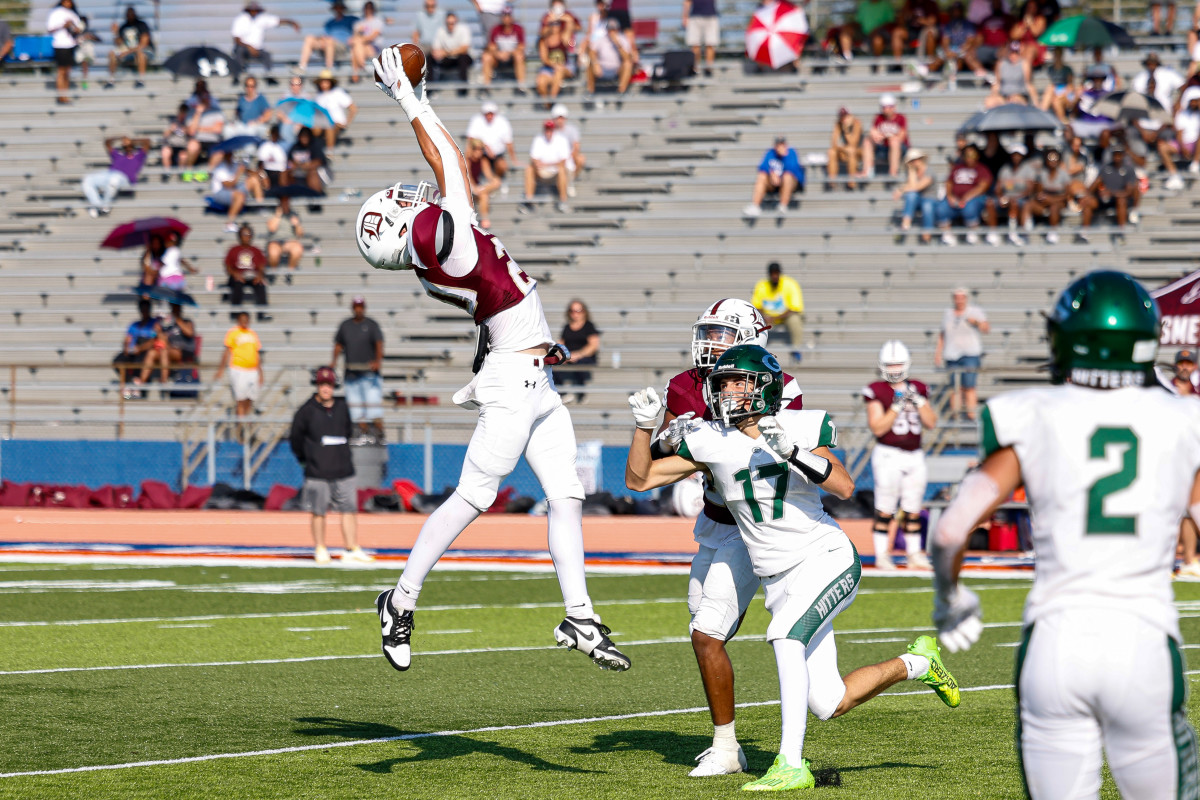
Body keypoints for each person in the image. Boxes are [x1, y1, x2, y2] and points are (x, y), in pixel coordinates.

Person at [358, 48, 629, 673]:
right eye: (402, 206)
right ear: (406, 232)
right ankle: (398, 601)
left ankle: (580, 615)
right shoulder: (442, 243)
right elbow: (451, 162)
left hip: (535, 376)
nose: (411, 198)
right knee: (473, 497)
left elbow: (455, 175)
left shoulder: (439, 245)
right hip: (514, 379)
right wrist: (408, 94)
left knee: (567, 494)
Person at [626, 344, 961, 791]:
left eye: (735, 382)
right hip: (778, 577)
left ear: (764, 386)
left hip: (824, 558)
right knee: (829, 701)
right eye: (721, 382)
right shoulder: (709, 437)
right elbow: (639, 479)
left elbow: (844, 485)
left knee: (785, 635)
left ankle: (790, 764)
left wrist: (796, 453)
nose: (724, 390)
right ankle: (917, 662)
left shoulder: (802, 424)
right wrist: (643, 427)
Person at [929, 270, 1200, 800]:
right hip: (1143, 642)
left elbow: (952, 529)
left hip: (1055, 644)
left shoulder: (1031, 412)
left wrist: (950, 597)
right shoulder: (1183, 418)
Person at [651, 299, 805, 777]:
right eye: (708, 333)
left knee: (707, 633)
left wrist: (705, 434)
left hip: (753, 522)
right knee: (701, 622)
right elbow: (668, 455)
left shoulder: (781, 387)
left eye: (722, 334)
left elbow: (758, 454)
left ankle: (725, 747)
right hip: (714, 519)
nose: (709, 343)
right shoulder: (684, 384)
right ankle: (727, 740)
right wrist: (662, 434)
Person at [864, 340, 937, 570]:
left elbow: (931, 423)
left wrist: (920, 402)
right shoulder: (876, 390)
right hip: (888, 454)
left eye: (898, 364)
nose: (894, 370)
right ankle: (882, 555)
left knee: (913, 508)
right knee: (886, 508)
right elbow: (877, 428)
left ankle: (914, 554)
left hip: (915, 454)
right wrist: (896, 407)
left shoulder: (919, 387)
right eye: (890, 365)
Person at [290, 366, 375, 565]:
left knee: (349, 509)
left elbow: (347, 432)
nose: (325, 388)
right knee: (318, 511)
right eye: (322, 384)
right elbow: (295, 439)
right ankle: (320, 547)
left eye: (329, 384)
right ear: (317, 386)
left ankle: (351, 547)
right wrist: (307, 459)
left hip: (343, 469)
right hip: (317, 471)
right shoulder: (306, 411)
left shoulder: (342, 407)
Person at [331, 297, 385, 442]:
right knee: (356, 408)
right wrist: (333, 362)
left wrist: (378, 361)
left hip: (369, 374)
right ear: (353, 308)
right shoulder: (346, 325)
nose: (358, 310)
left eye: (361, 307)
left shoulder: (371, 325)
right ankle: (363, 433)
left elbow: (379, 343)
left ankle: (379, 434)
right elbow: (338, 345)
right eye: (356, 307)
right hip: (351, 373)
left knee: (373, 405)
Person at [934, 287, 989, 419]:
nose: (959, 300)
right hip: (951, 354)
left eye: (962, 297)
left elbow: (986, 328)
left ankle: (971, 415)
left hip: (970, 353)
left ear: (966, 298)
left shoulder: (975, 311)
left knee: (969, 386)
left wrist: (975, 322)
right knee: (954, 388)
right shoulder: (948, 313)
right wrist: (938, 352)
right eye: (957, 297)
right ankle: (956, 416)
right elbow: (943, 334)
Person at [131, 302, 198, 393]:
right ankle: (141, 384)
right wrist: (158, 331)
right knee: (152, 352)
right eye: (173, 308)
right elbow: (163, 341)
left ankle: (163, 382)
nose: (175, 310)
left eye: (177, 308)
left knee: (164, 350)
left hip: (184, 350)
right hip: (170, 350)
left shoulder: (187, 322)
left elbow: (189, 333)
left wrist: (178, 320)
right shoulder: (168, 325)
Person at [935, 144, 992, 246]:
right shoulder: (958, 168)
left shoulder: (982, 169)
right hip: (956, 199)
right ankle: (947, 234)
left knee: (970, 207)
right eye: (967, 155)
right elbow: (949, 182)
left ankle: (972, 232)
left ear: (977, 156)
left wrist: (967, 197)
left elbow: (983, 186)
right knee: (941, 207)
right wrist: (950, 196)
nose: (969, 158)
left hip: (973, 199)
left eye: (972, 155)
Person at [1078, 146, 1140, 240]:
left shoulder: (1129, 169)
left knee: (1121, 200)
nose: (1117, 157)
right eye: (1115, 155)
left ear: (1123, 156)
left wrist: (1111, 193)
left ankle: (1121, 230)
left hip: (1120, 199)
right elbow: (1096, 183)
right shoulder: (1106, 168)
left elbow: (1128, 191)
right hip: (1107, 198)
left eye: (1119, 155)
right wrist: (1088, 194)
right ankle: (1084, 232)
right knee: (1088, 203)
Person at [81, 135, 150, 218]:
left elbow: (147, 142)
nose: (127, 147)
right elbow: (107, 142)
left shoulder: (138, 156)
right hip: (109, 174)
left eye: (129, 145)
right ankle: (98, 205)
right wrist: (120, 137)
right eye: (124, 145)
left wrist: (131, 140)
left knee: (114, 179)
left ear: (132, 146)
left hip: (125, 180)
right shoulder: (118, 155)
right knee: (88, 179)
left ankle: (105, 206)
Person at [984, 143, 1037, 245]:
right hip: (1007, 197)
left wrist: (1015, 197)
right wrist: (1001, 197)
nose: (1016, 157)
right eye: (1014, 155)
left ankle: (1013, 232)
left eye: (1018, 155)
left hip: (1022, 198)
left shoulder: (1028, 169)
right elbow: (998, 188)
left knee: (1015, 204)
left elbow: (1030, 190)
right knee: (990, 202)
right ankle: (993, 232)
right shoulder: (1005, 169)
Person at [751, 262, 805, 362]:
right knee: (754, 319)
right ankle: (756, 349)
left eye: (776, 273)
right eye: (772, 274)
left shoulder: (790, 284)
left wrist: (774, 318)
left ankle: (796, 349)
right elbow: (757, 306)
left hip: (784, 317)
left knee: (795, 320)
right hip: (767, 317)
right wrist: (764, 316)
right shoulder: (762, 285)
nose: (775, 276)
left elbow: (794, 308)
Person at [214, 310, 262, 418]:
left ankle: (246, 423)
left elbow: (257, 354)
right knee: (240, 399)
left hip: (252, 370)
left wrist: (261, 373)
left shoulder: (252, 334)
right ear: (238, 320)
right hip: (238, 369)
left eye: (246, 320)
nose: (245, 322)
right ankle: (240, 427)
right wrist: (220, 370)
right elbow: (226, 352)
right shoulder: (233, 333)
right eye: (242, 319)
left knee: (250, 399)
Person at [231, 2, 301, 75]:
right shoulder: (240, 20)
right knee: (239, 51)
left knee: (267, 55)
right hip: (244, 48)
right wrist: (249, 47)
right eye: (252, 10)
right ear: (248, 10)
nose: (254, 12)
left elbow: (277, 21)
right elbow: (236, 39)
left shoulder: (262, 18)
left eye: (256, 10)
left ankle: (269, 75)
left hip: (258, 50)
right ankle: (238, 74)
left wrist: (291, 22)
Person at [743, 136, 803, 218]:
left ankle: (783, 205)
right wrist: (772, 173)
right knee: (762, 176)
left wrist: (784, 156)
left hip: (790, 182)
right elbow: (762, 167)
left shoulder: (791, 152)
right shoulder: (770, 153)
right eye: (778, 145)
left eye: (782, 145)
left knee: (787, 176)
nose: (780, 147)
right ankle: (755, 206)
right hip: (774, 182)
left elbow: (793, 168)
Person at [555, 299, 600, 404]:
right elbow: (560, 344)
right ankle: (563, 394)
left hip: (585, 357)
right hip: (570, 357)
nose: (575, 314)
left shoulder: (589, 326)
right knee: (554, 364)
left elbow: (593, 346)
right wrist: (565, 356)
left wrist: (578, 355)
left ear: (584, 312)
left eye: (578, 311)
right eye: (572, 311)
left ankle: (581, 394)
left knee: (580, 364)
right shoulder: (567, 327)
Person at [522, 120, 572, 213]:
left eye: (550, 130)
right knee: (529, 169)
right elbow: (534, 158)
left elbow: (563, 161)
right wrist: (538, 163)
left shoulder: (561, 139)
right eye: (547, 129)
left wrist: (546, 164)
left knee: (562, 170)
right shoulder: (538, 139)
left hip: (555, 171)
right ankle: (528, 201)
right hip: (542, 171)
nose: (548, 132)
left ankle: (563, 200)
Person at [113, 299, 160, 394]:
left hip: (145, 351)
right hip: (133, 351)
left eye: (146, 309)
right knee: (118, 361)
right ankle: (131, 382)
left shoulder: (155, 324)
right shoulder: (134, 325)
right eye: (142, 309)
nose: (144, 312)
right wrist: (126, 348)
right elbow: (127, 339)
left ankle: (138, 389)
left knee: (139, 363)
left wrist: (141, 348)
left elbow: (154, 340)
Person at [297, 0, 358, 73]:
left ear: (343, 9)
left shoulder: (351, 19)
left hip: (342, 46)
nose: (338, 10)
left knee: (329, 41)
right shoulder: (329, 22)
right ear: (334, 9)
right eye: (336, 8)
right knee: (309, 38)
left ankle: (329, 69)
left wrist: (354, 37)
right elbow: (325, 35)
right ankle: (302, 67)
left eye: (340, 8)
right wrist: (322, 39)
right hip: (327, 44)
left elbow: (361, 28)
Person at [224, 224, 270, 319]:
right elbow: (228, 266)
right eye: (244, 234)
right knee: (237, 285)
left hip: (253, 275)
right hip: (238, 275)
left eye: (248, 234)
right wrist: (235, 274)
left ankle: (262, 314)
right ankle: (235, 313)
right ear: (239, 236)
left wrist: (260, 275)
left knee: (261, 284)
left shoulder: (256, 250)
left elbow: (262, 265)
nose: (246, 236)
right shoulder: (233, 250)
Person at [1025, 148, 1069, 244]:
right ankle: (1025, 231)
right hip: (1044, 203)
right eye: (1050, 159)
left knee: (1054, 207)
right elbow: (1039, 193)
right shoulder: (1041, 174)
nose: (1052, 161)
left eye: (1055, 159)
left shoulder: (1063, 174)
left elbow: (1067, 195)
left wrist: (1052, 199)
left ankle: (1053, 232)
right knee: (1028, 204)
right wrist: (1043, 198)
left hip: (1058, 203)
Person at [585, 18, 635, 101]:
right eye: (609, 29)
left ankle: (621, 91)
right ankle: (590, 91)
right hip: (602, 68)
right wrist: (595, 63)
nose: (611, 32)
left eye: (613, 29)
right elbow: (591, 51)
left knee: (628, 64)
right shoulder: (601, 39)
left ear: (617, 29)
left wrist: (618, 44)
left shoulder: (622, 39)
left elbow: (627, 58)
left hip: (617, 69)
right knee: (590, 63)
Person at [465, 101, 517, 181]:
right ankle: (492, 182)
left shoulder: (503, 122)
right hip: (482, 154)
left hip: (497, 155)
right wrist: (486, 148)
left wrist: (513, 159)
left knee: (502, 166)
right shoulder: (477, 120)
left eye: (491, 113)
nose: (489, 116)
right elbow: (470, 139)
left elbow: (509, 142)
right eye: (487, 114)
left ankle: (493, 182)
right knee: (483, 162)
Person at [894, 149, 936, 243]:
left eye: (915, 159)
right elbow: (912, 187)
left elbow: (917, 187)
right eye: (911, 161)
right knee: (911, 195)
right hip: (918, 200)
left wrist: (901, 190)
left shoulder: (929, 171)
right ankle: (906, 222)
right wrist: (911, 171)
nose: (914, 162)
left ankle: (927, 233)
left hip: (930, 199)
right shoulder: (914, 172)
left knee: (927, 206)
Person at [861, 95, 908, 178]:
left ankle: (893, 172)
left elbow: (901, 136)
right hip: (883, 148)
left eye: (889, 107)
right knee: (867, 141)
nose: (886, 109)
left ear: (893, 107)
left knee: (894, 142)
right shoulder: (878, 117)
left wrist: (887, 136)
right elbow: (873, 132)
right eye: (884, 107)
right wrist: (878, 136)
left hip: (899, 149)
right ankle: (867, 170)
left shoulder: (901, 118)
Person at [106, 6, 152, 89]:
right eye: (128, 14)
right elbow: (119, 44)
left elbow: (143, 44)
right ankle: (111, 80)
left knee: (140, 53)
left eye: (131, 13)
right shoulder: (123, 27)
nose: (130, 15)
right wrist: (115, 33)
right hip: (128, 51)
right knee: (111, 53)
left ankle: (141, 80)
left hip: (143, 50)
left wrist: (127, 52)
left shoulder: (141, 25)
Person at [482, 6, 527, 86]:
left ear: (512, 17)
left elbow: (522, 46)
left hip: (512, 58)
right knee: (486, 57)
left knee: (519, 56)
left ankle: (521, 86)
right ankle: (486, 87)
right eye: (505, 15)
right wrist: (498, 54)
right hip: (498, 58)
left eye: (508, 15)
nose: (506, 18)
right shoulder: (495, 29)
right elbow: (491, 47)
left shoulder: (518, 29)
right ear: (501, 17)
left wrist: (508, 53)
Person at [47, 0, 81, 105]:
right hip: (60, 44)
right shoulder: (56, 13)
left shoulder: (73, 14)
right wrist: (63, 25)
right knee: (61, 70)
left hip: (71, 44)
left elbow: (79, 29)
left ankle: (65, 94)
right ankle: (60, 96)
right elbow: (50, 29)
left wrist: (73, 27)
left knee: (67, 71)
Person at [312, 70, 357, 149]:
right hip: (323, 123)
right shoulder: (318, 96)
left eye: (326, 81)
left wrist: (346, 123)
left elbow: (353, 108)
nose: (324, 84)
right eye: (322, 82)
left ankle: (329, 151)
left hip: (336, 123)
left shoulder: (338, 93)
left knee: (329, 127)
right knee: (314, 128)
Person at [208, 150, 251, 233]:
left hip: (232, 190)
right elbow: (228, 185)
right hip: (220, 193)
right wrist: (239, 173)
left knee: (252, 180)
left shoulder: (234, 165)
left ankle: (260, 207)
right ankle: (229, 223)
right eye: (228, 154)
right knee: (240, 196)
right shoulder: (220, 168)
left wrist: (247, 169)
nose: (230, 156)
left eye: (231, 154)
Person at [984, 41, 1035, 107]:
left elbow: (1028, 84)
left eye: (1016, 53)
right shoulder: (1001, 64)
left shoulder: (1024, 64)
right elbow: (997, 83)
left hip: (1019, 94)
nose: (1013, 55)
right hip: (1004, 94)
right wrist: (994, 94)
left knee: (1014, 101)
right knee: (989, 101)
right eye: (1011, 53)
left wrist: (1035, 101)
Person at [465, 137, 501, 230]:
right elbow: (468, 177)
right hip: (467, 188)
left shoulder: (483, 161)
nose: (479, 151)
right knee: (484, 195)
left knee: (494, 184)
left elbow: (489, 175)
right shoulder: (467, 160)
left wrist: (493, 181)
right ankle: (484, 219)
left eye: (481, 149)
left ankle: (484, 219)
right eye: (476, 149)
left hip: (476, 188)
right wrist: (475, 187)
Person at [349, 1, 387, 83]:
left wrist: (358, 39)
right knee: (356, 47)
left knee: (355, 46)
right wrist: (358, 33)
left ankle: (356, 73)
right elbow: (354, 37)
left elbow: (372, 37)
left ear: (373, 9)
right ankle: (364, 67)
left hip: (374, 46)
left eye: (370, 8)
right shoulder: (359, 23)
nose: (368, 10)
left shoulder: (378, 21)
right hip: (362, 47)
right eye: (366, 8)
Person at [536, 19, 574, 102]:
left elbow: (570, 23)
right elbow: (544, 59)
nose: (555, 27)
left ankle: (552, 99)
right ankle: (547, 104)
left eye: (557, 24)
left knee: (559, 72)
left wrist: (559, 15)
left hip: (564, 66)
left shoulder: (563, 37)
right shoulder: (544, 40)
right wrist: (554, 65)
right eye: (552, 24)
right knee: (541, 81)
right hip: (549, 68)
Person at [431, 12, 473, 84]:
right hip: (448, 60)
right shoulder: (440, 30)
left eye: (452, 23)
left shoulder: (463, 29)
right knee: (429, 58)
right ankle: (430, 88)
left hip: (461, 59)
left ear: (456, 22)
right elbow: (435, 50)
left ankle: (463, 88)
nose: (450, 25)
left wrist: (446, 52)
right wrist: (443, 53)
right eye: (448, 23)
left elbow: (464, 49)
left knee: (463, 57)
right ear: (445, 23)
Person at [1038, 47, 1077, 123]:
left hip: (1065, 94)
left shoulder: (1067, 69)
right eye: (1056, 54)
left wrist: (1061, 93)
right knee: (1052, 91)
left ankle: (1042, 115)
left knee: (1054, 97)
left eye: (1059, 54)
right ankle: (1062, 121)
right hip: (1053, 93)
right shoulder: (1050, 69)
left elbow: (1070, 86)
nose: (1057, 56)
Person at [826, 108, 862, 190]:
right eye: (841, 117)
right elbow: (833, 143)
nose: (843, 119)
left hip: (857, 152)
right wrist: (843, 148)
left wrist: (846, 129)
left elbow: (854, 143)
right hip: (844, 150)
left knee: (851, 151)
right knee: (831, 152)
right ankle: (832, 181)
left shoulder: (857, 123)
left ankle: (851, 182)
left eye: (845, 116)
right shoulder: (838, 124)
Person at [551, 103, 585, 188]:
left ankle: (570, 180)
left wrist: (568, 156)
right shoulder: (550, 131)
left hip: (568, 156)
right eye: (557, 118)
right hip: (555, 157)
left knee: (580, 159)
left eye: (561, 117)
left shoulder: (572, 129)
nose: (559, 120)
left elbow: (576, 146)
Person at [683, 0, 719, 76]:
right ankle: (695, 68)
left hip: (711, 15)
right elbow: (687, 2)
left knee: (711, 43)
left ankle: (709, 68)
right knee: (695, 44)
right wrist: (685, 17)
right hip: (695, 16)